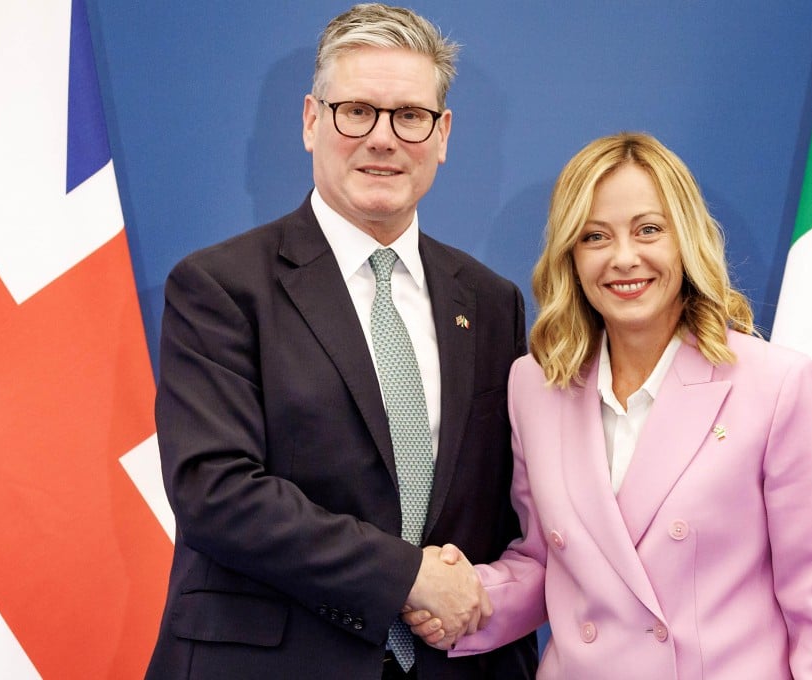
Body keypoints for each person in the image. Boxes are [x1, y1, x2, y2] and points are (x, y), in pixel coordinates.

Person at [145, 4, 537, 679]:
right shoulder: (220, 286)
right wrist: (407, 575)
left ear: (443, 134)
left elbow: (504, 512)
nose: (383, 139)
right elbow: (216, 492)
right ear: (310, 121)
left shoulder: (491, 302)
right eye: (356, 111)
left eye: (409, 116)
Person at [407, 132, 812, 678]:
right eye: (595, 236)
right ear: (571, 256)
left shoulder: (777, 384)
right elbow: (548, 562)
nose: (624, 258)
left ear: (685, 239)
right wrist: (464, 597)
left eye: (648, 230)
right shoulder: (535, 385)